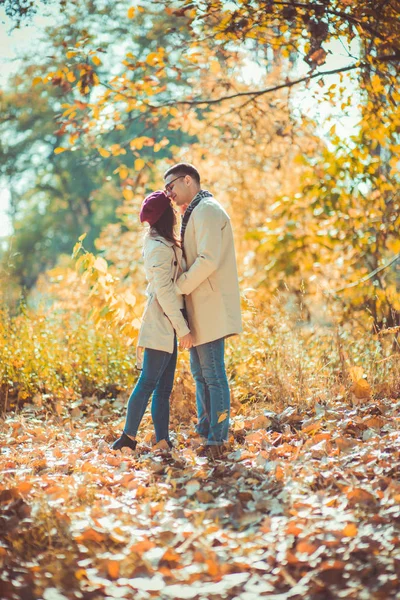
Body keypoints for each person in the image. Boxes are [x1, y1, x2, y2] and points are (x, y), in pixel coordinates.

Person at [164, 163, 242, 459]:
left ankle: (217, 438)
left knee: (212, 373)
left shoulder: (207, 209)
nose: (168, 193)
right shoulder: (193, 211)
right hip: (198, 305)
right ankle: (207, 428)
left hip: (209, 304)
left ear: (187, 180)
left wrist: (179, 286)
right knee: (200, 372)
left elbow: (208, 259)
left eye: (170, 186)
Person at [111, 190, 194, 452]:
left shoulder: (166, 242)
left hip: (169, 321)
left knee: (164, 388)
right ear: (165, 216)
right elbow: (165, 293)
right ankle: (127, 437)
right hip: (162, 321)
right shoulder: (158, 248)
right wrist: (183, 329)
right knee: (148, 381)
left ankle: (162, 440)